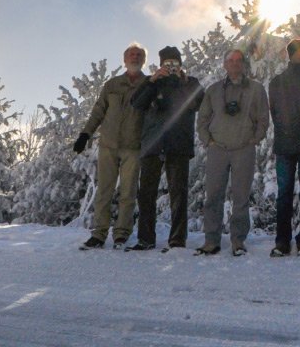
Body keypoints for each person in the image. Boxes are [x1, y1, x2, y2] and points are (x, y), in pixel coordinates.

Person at [73, 42, 149, 249]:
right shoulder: (112, 85)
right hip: (109, 145)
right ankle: (99, 234)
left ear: (144, 61)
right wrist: (85, 134)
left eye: (139, 55)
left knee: (128, 193)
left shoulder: (149, 85)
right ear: (125, 60)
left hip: (133, 147)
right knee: (104, 192)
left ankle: (121, 234)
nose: (135, 57)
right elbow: (98, 110)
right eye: (132, 55)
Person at [128, 45, 204, 252]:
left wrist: (182, 81)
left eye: (174, 63)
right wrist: (152, 82)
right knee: (146, 194)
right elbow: (136, 103)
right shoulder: (151, 83)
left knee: (178, 194)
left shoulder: (190, 83)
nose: (171, 67)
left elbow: (199, 102)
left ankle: (178, 239)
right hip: (153, 144)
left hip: (178, 144)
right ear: (160, 65)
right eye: (167, 64)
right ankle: (145, 239)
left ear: (180, 65)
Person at [195, 49, 270, 256]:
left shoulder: (255, 89)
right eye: (231, 61)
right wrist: (207, 141)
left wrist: (256, 138)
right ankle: (211, 241)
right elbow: (202, 119)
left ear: (243, 64)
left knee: (241, 198)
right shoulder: (214, 90)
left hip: (244, 149)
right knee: (213, 197)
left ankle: (238, 241)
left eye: (238, 60)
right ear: (225, 65)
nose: (235, 64)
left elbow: (264, 117)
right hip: (217, 149)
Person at [267, 38, 300, 257]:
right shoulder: (277, 82)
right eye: (297, 51)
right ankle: (282, 241)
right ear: (289, 55)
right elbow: (275, 112)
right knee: (284, 195)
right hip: (285, 145)